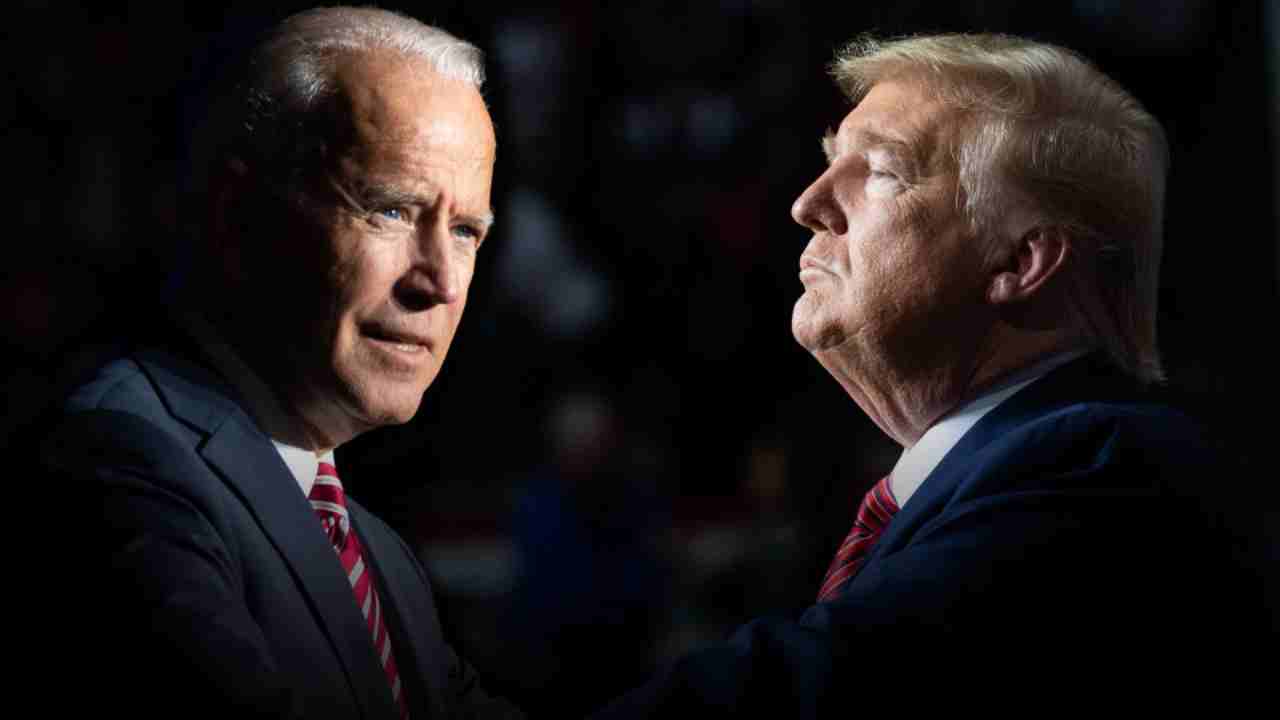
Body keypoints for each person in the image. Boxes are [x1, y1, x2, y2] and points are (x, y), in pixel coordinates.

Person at [595, 33, 1273, 717]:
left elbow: (817, 694)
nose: (809, 203)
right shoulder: (1009, 472)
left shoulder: (1104, 467)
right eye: (831, 162)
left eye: (883, 171)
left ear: (1021, 261)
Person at [49, 7, 520, 718]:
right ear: (239, 215)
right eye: (392, 210)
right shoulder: (123, 462)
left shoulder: (379, 557)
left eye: (463, 231)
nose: (441, 282)